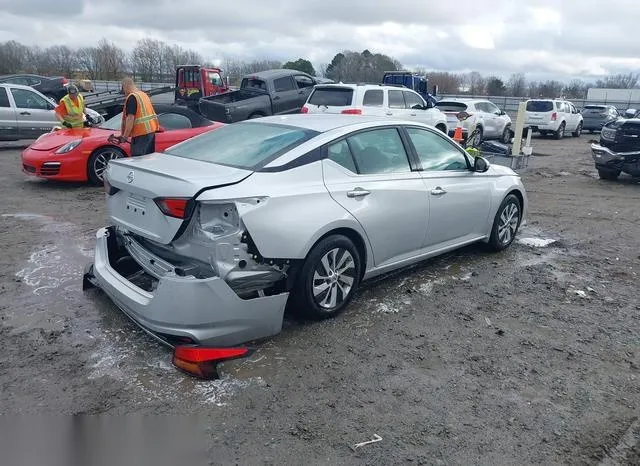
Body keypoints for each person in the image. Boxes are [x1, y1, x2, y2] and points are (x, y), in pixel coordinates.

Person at [114, 77, 159, 156]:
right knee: (147, 159)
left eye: (123, 89)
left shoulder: (132, 97)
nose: (124, 92)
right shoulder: (143, 95)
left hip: (140, 134)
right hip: (150, 132)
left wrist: (125, 136)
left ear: (125, 86)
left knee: (137, 160)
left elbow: (130, 118)